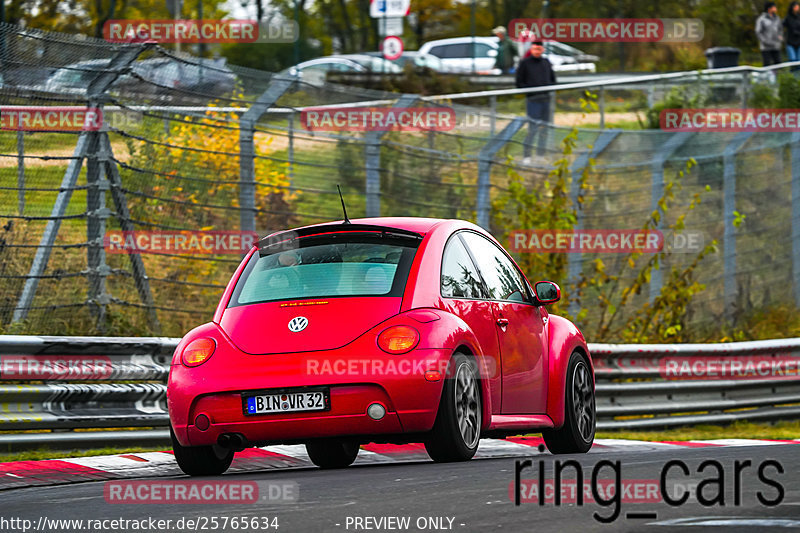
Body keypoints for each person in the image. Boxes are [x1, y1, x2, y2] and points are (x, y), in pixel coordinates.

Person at [515, 40, 556, 164]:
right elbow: (519, 83)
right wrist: (530, 90)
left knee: (545, 129)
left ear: (542, 50)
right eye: (534, 49)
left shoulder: (546, 63)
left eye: (539, 49)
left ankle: (540, 154)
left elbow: (553, 80)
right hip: (533, 101)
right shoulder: (525, 64)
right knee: (533, 128)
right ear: (531, 50)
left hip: (546, 100)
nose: (536, 52)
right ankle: (527, 155)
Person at [757, 1, 783, 66]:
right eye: (774, 7)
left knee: (778, 63)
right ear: (769, 8)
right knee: (767, 64)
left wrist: (780, 37)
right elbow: (758, 31)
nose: (776, 8)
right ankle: (767, 76)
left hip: (776, 45)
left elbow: (780, 29)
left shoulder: (777, 18)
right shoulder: (762, 19)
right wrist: (764, 41)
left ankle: (776, 76)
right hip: (766, 47)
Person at [785, 1, 800, 70]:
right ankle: (793, 77)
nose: (798, 8)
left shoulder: (799, 17)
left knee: (798, 61)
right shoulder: (788, 18)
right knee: (792, 60)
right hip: (790, 42)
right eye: (796, 6)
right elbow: (791, 28)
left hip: (799, 42)